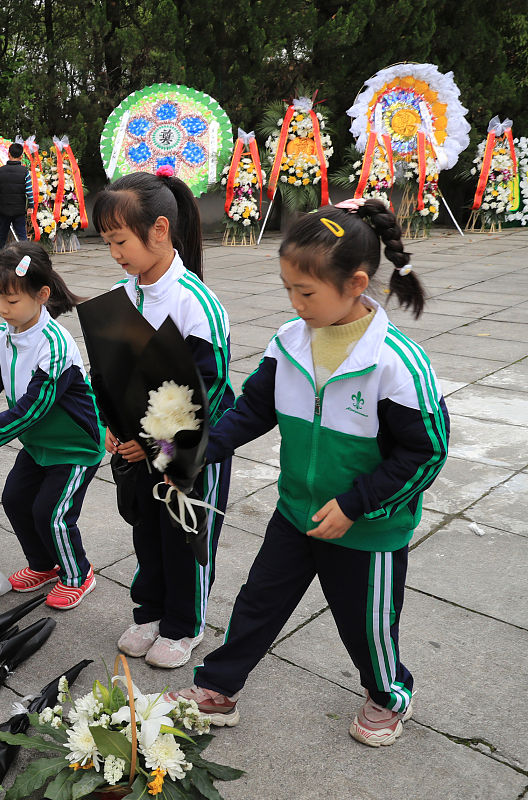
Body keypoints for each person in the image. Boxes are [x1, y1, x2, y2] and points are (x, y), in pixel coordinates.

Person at [168, 199, 449, 747]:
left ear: (355, 284)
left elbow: (426, 454)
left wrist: (355, 505)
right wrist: (198, 452)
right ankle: (217, 688)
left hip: (367, 529)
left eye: (307, 292)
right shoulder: (290, 342)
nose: (296, 304)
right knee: (257, 603)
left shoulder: (397, 364)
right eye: (288, 290)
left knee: (366, 625)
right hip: (296, 509)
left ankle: (389, 693)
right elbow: (250, 409)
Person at [94, 169, 234, 669]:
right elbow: (106, 372)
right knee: (147, 535)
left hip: (190, 453)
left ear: (159, 229)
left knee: (184, 538)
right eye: (108, 243)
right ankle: (150, 611)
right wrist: (112, 425)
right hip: (136, 448)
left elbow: (208, 394)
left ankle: (184, 625)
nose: (116, 254)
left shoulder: (195, 304)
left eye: (121, 241)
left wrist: (155, 446)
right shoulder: (123, 294)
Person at [0, 241, 104, 609]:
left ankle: (78, 573)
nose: (0, 310)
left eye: (11, 302)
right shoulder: (4, 336)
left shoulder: (54, 345)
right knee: (14, 499)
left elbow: (32, 410)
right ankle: (43, 565)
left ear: (42, 295)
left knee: (53, 514)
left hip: (74, 447)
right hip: (38, 444)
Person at [0, 142, 33, 251]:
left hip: (5, 209)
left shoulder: (1, 170)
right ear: (21, 156)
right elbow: (29, 191)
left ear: (8, 154)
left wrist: (0, 200)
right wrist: (30, 206)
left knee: (2, 234)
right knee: (22, 235)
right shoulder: (25, 172)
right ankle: (26, 255)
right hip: (19, 210)